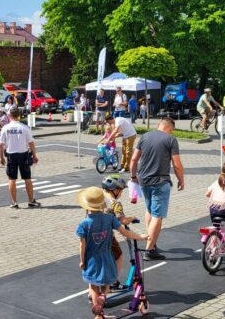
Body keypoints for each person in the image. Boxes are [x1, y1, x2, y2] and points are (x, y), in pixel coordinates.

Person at [76, 187, 148, 319]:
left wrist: (82, 260)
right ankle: (104, 295)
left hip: (91, 259)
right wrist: (140, 237)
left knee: (93, 285)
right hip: (107, 256)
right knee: (108, 280)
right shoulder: (109, 218)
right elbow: (125, 232)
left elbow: (82, 245)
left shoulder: (84, 224)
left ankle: (99, 314)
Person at [129, 117, 184, 261]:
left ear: (159, 125)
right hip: (160, 182)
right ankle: (149, 250)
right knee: (157, 215)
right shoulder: (170, 140)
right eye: (172, 130)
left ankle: (151, 242)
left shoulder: (144, 136)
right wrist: (181, 180)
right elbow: (177, 164)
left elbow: (134, 159)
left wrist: (133, 177)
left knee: (149, 210)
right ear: (170, 128)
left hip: (143, 181)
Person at [0, 107, 41, 208]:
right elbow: (31, 143)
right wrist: (35, 155)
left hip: (11, 155)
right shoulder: (24, 127)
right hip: (24, 155)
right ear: (19, 115)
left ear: (10, 115)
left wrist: (1, 157)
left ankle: (14, 202)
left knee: (12, 179)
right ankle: (31, 201)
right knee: (27, 179)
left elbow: (1, 145)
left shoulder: (5, 128)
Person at [102, 175, 137, 291]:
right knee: (118, 256)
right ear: (115, 190)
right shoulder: (115, 203)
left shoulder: (97, 199)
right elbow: (123, 221)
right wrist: (132, 218)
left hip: (92, 235)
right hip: (106, 236)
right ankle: (113, 282)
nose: (121, 193)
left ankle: (94, 289)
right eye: (121, 190)